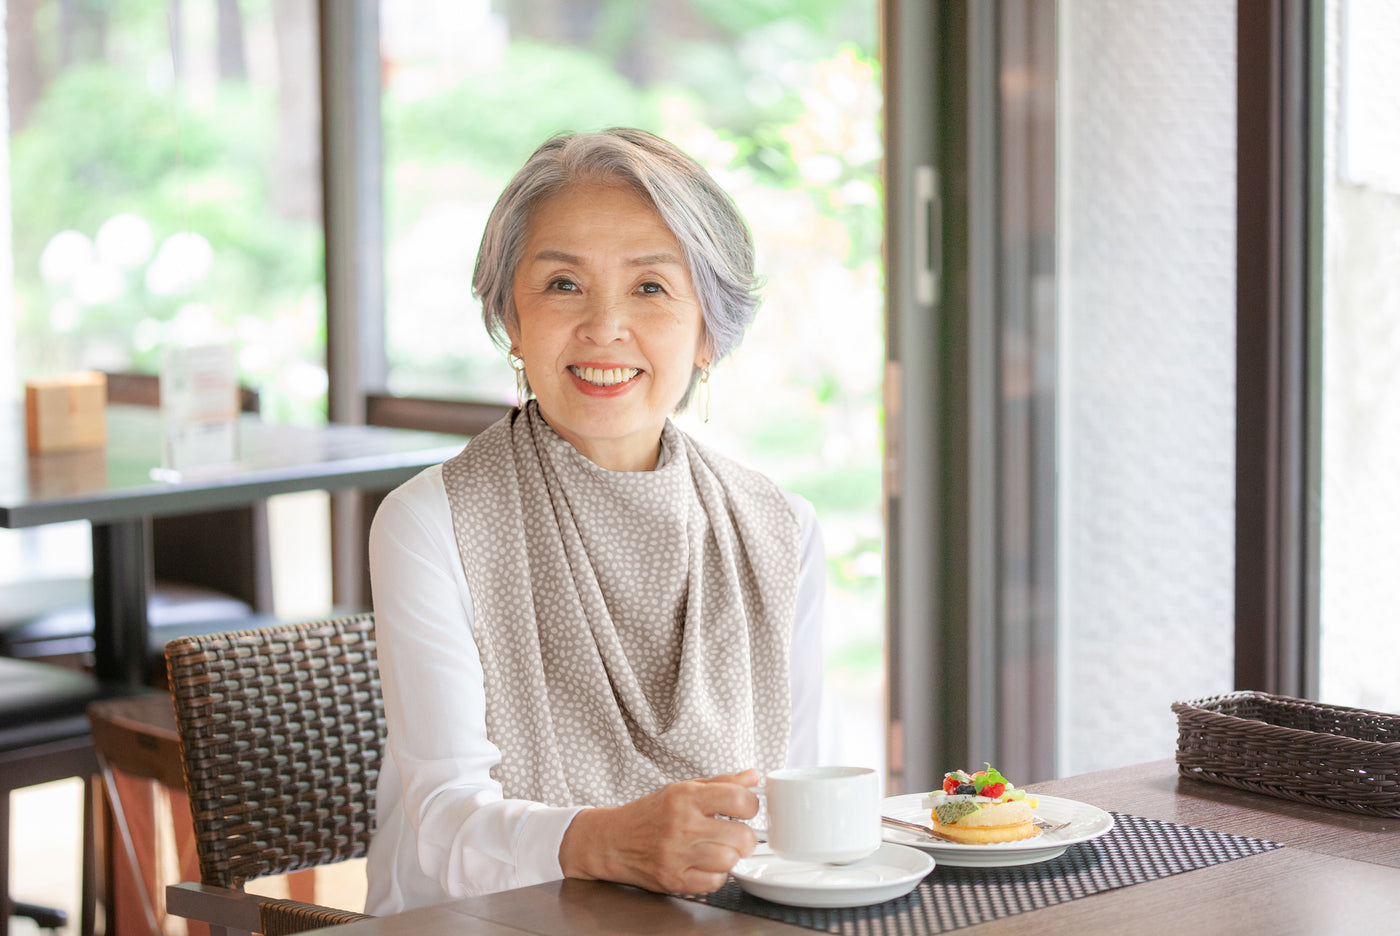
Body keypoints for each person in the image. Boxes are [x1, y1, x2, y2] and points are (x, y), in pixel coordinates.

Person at [364, 127, 827, 914]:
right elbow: (444, 829)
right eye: (563, 285)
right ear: (512, 318)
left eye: (650, 288)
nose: (605, 327)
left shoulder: (782, 529)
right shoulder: (427, 524)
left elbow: (807, 803)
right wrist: (606, 841)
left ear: (708, 330)